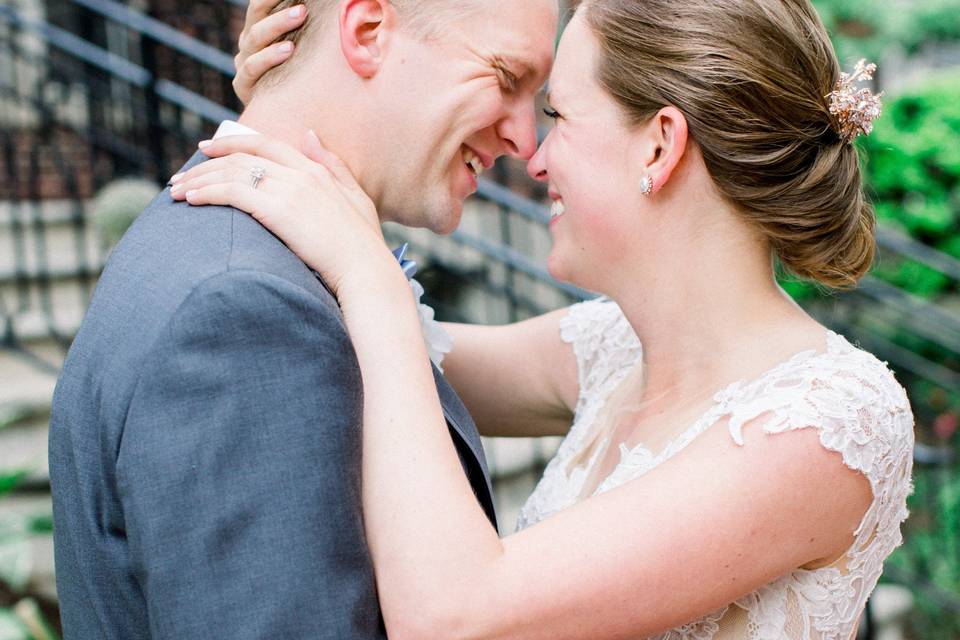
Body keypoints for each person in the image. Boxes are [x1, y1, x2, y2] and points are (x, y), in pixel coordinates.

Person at [174, 0, 916, 637]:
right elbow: (360, 354)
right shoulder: (610, 349)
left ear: (659, 144)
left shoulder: (826, 426)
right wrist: (304, 103)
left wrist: (371, 275)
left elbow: (453, 615)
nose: (530, 153)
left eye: (557, 113)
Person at [47, 0, 556, 637]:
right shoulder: (246, 313)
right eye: (507, 79)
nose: (526, 140)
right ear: (368, 32)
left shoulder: (222, 253)